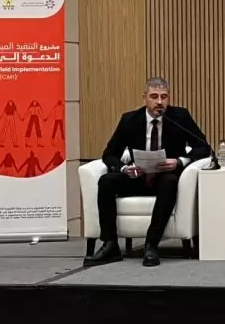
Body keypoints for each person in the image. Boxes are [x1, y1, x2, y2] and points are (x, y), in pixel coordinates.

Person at [84, 77, 210, 268]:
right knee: (106, 181)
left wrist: (179, 161)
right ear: (145, 98)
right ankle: (110, 245)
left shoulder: (179, 117)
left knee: (169, 181)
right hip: (138, 176)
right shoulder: (130, 119)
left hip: (165, 177)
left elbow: (203, 147)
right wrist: (125, 168)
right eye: (154, 96)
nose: (159, 102)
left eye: (164, 97)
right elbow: (109, 154)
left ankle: (151, 245)